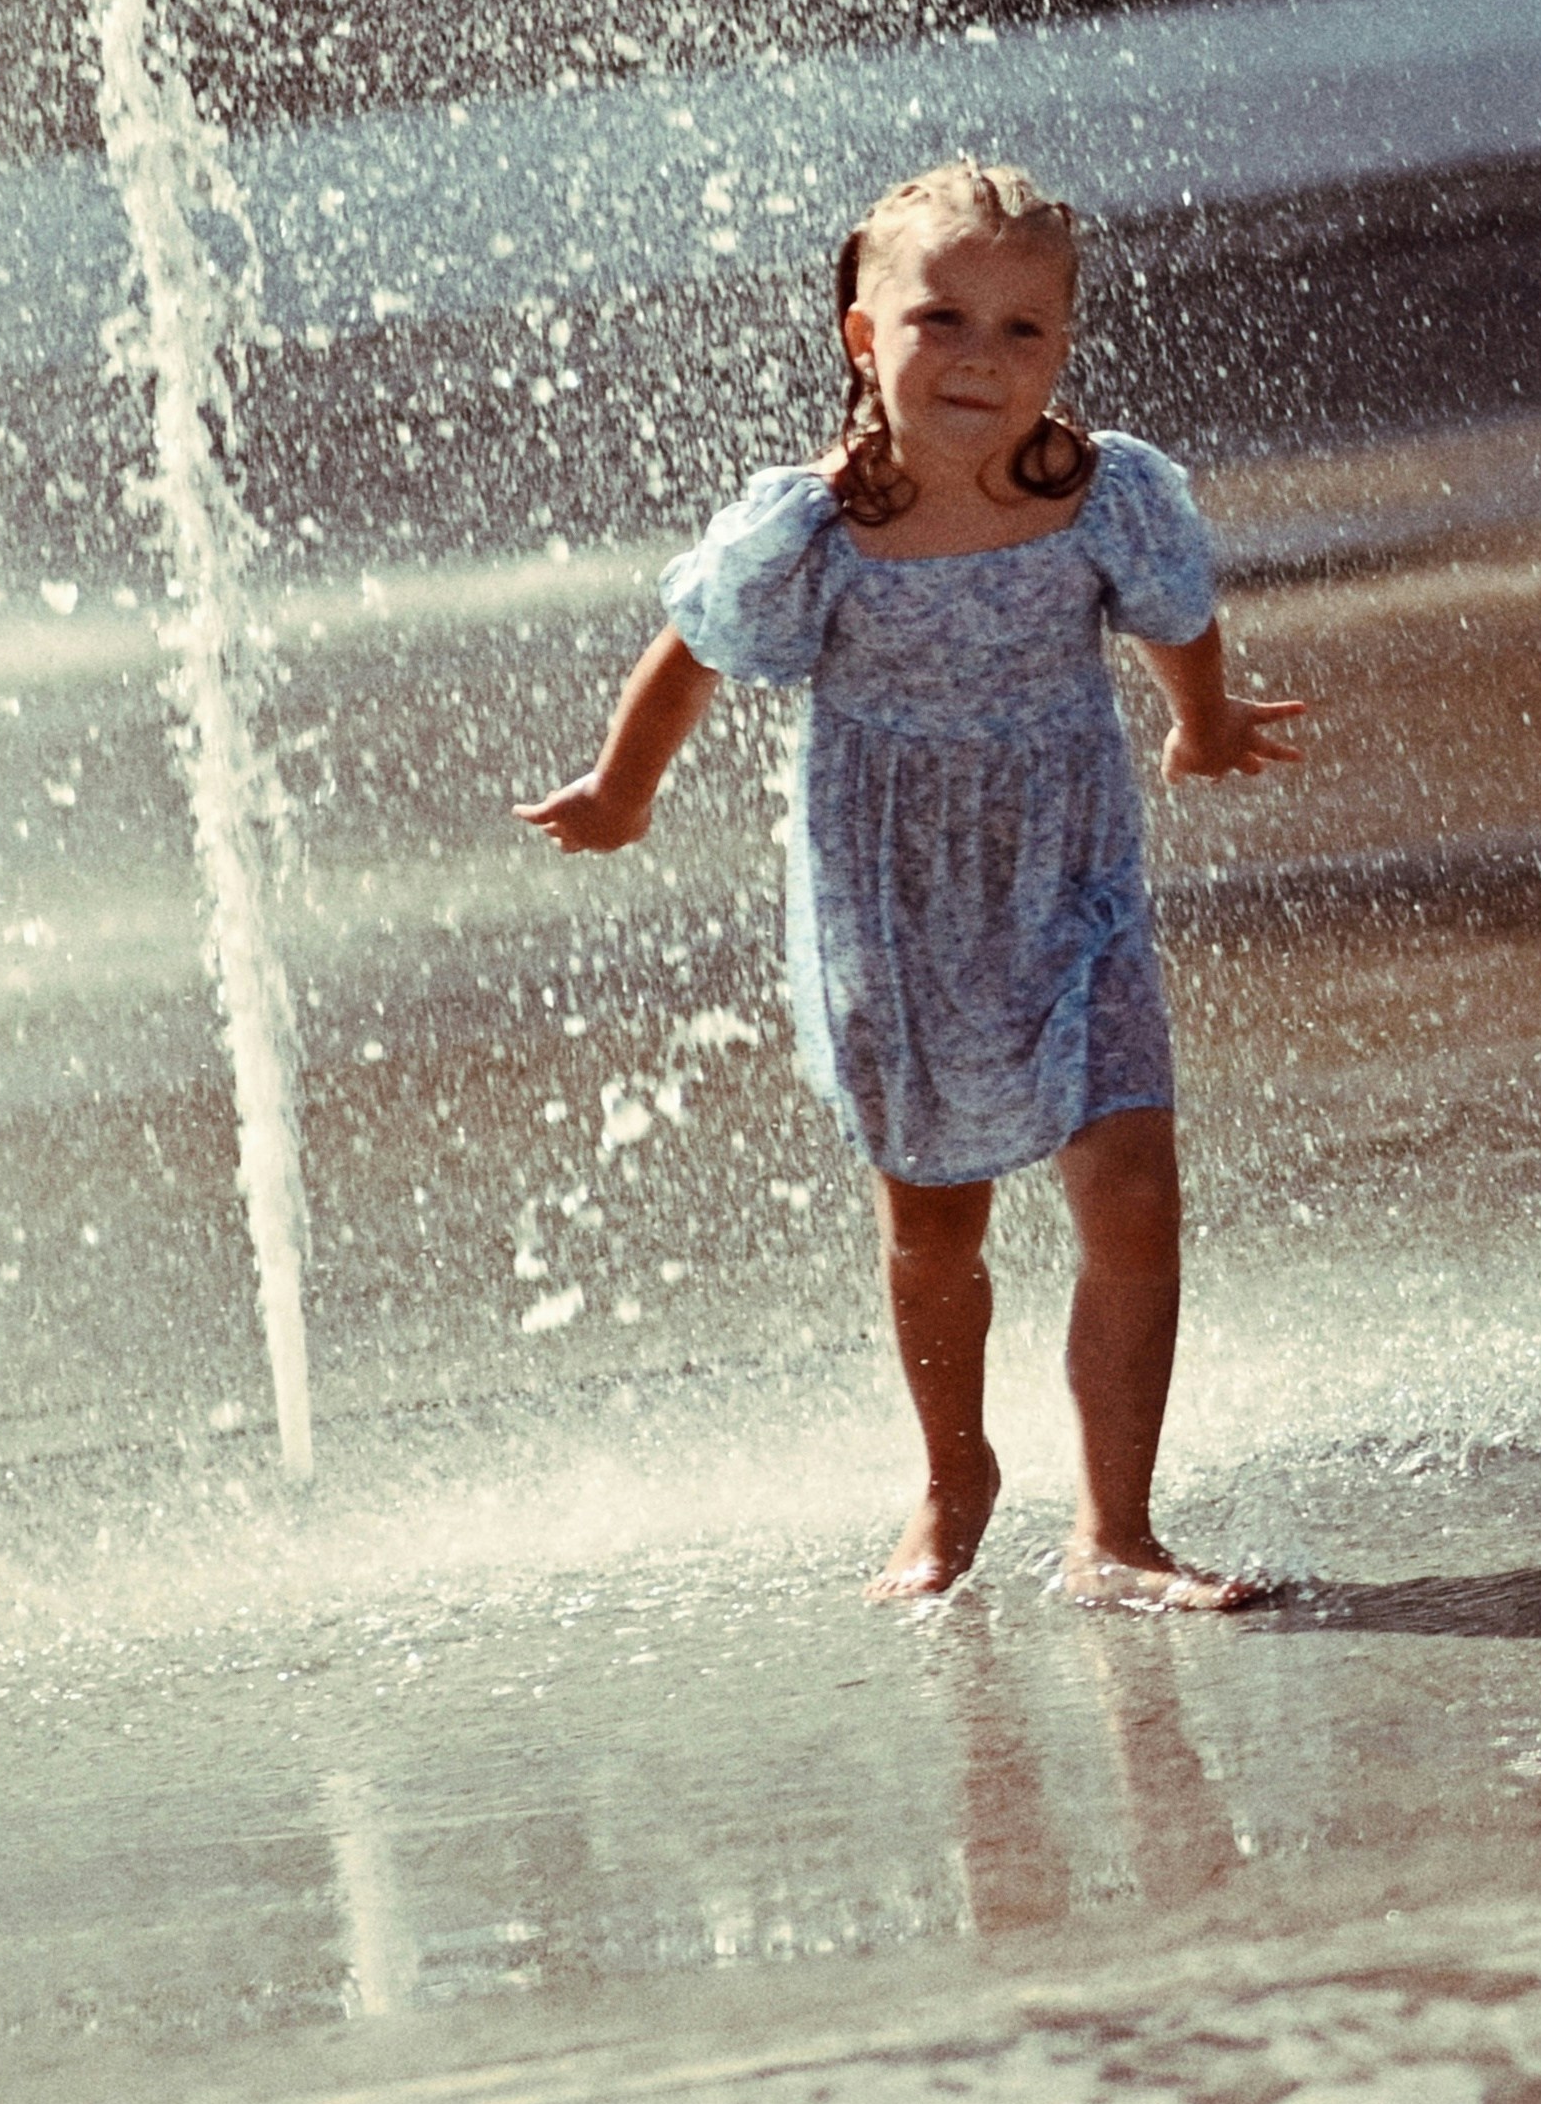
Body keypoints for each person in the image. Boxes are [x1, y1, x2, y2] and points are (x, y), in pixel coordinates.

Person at [520, 160, 1306, 1610]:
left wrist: (1202, 720)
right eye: (941, 318)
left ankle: (1117, 1531)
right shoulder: (815, 527)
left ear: (1064, 353)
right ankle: (956, 1480)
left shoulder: (1096, 496)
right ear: (860, 337)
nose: (980, 360)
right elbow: (688, 654)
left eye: (1024, 332)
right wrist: (624, 792)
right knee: (934, 1224)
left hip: (1071, 881)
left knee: (1130, 1188)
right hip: (889, 899)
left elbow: (1177, 616)